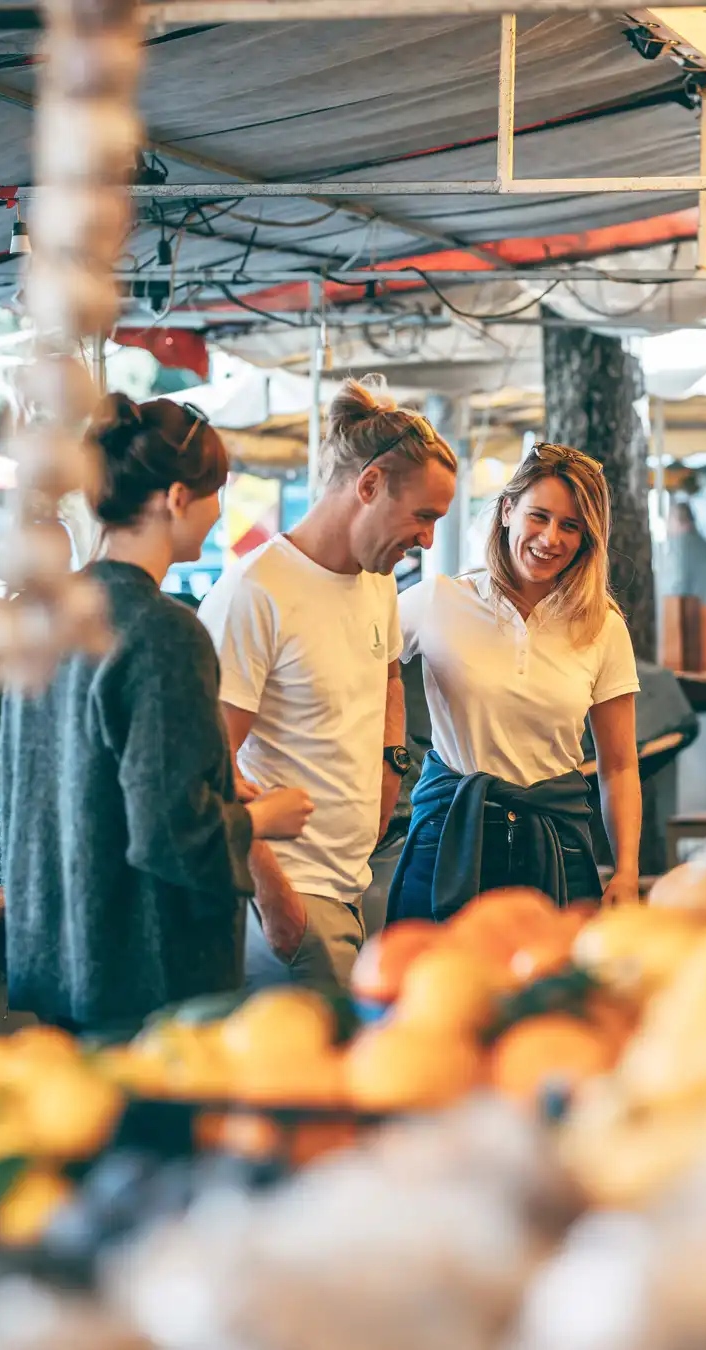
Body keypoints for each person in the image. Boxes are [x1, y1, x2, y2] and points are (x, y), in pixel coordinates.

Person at [0, 394, 313, 1035]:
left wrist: (220, 787)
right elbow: (172, 833)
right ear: (176, 497)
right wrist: (260, 818)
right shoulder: (164, 631)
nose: (220, 510)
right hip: (145, 967)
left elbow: (60, 783)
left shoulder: (48, 615)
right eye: (215, 491)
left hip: (54, 949)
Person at [199, 377, 457, 989]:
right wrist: (272, 892)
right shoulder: (256, 591)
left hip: (352, 882)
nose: (427, 540)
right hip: (288, 896)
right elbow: (208, 761)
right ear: (369, 486)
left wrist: (392, 765)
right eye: (423, 517)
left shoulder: (375, 578)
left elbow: (389, 671)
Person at [387, 441, 642, 923]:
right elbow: (360, 664)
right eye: (538, 516)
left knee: (552, 995)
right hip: (447, 837)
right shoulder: (437, 600)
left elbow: (620, 766)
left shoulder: (603, 626)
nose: (551, 539)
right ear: (507, 510)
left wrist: (627, 870)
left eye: (571, 526)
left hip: (558, 844)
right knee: (427, 986)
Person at [662, 499, 706, 606]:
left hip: (683, 614)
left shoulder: (678, 547)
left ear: (678, 521)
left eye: (669, 520)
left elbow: (675, 586)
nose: (667, 526)